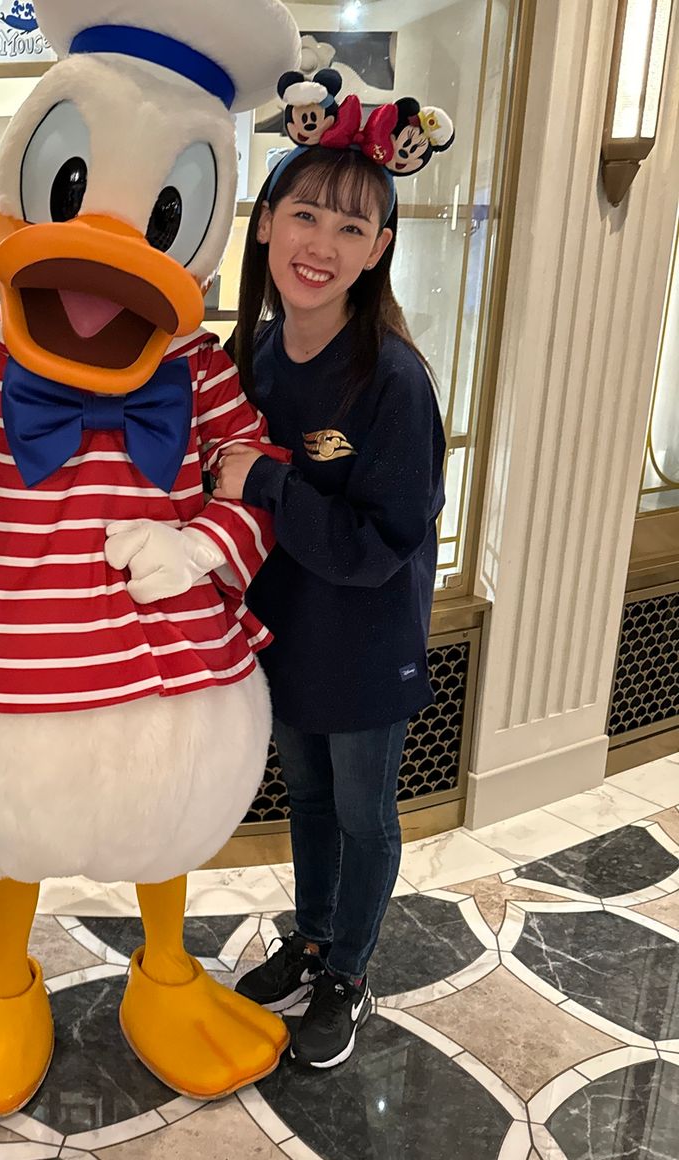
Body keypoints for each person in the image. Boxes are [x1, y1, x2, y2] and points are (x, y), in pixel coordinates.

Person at [221, 84, 452, 1070]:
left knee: (363, 813)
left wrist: (269, 480)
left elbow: (378, 543)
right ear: (265, 222)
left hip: (365, 645)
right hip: (286, 632)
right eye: (304, 214)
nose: (320, 242)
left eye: (350, 226)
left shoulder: (392, 379)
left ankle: (349, 972)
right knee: (307, 801)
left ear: (378, 247)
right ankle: (311, 939)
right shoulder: (257, 353)